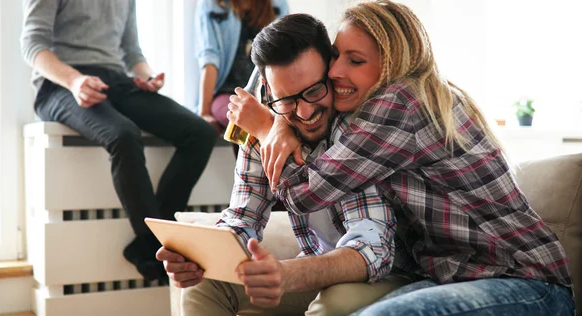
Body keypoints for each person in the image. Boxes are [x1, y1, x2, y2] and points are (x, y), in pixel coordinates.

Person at [230, 1, 575, 315]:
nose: (335, 72)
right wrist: (278, 120)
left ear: (391, 64)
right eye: (336, 56)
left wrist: (264, 126)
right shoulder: (375, 109)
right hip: (457, 278)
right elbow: (270, 73)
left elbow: (304, 192)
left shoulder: (401, 103)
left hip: (528, 283)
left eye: (356, 60)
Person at [157, 14, 402, 315]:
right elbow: (242, 218)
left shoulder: (357, 127)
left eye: (314, 90)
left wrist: (289, 274)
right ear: (269, 93)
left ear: (331, 73)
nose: (306, 111)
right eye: (286, 100)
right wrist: (203, 256)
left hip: (381, 275)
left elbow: (372, 248)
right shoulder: (264, 124)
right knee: (206, 283)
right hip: (314, 264)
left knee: (334, 306)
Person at [20, 0, 218, 281]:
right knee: (123, 134)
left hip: (116, 80)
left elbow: (131, 51)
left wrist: (146, 75)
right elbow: (32, 44)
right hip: (59, 85)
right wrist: (75, 80)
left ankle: (148, 245)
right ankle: (157, 248)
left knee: (200, 132)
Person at [195, 0, 288, 138]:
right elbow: (209, 58)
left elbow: (285, 57)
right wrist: (204, 112)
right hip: (227, 93)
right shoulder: (211, 4)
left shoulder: (278, 5)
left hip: (268, 94)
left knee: (279, 121)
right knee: (242, 118)